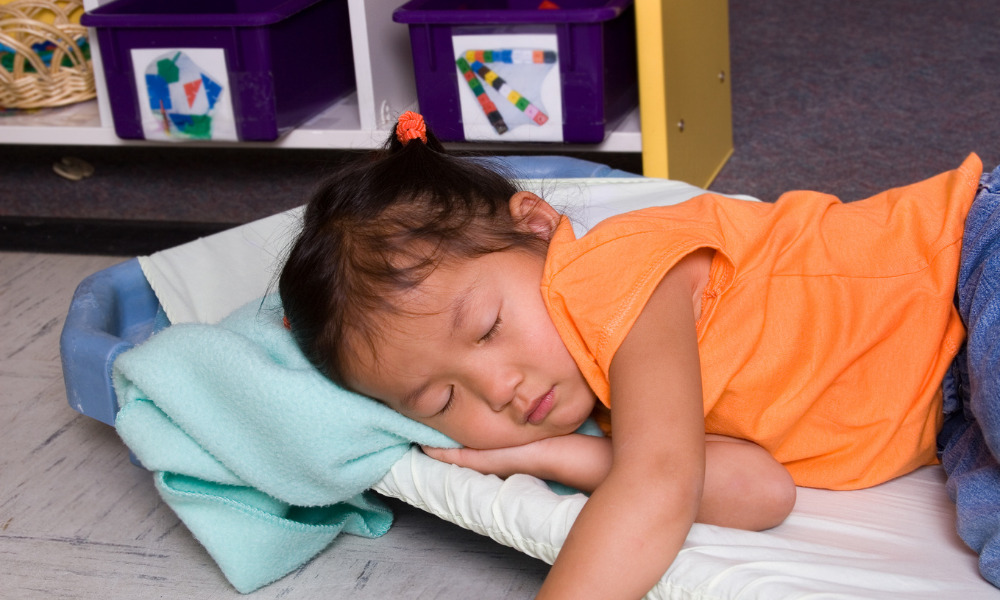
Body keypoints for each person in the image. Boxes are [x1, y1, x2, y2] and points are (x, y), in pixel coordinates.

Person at [279, 111, 997, 598]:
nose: (496, 388)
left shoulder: (608, 279)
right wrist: (560, 458)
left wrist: (632, 475)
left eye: (489, 327)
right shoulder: (614, 400)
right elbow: (758, 490)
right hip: (950, 409)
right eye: (441, 401)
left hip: (969, 261)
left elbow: (660, 485)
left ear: (538, 227)